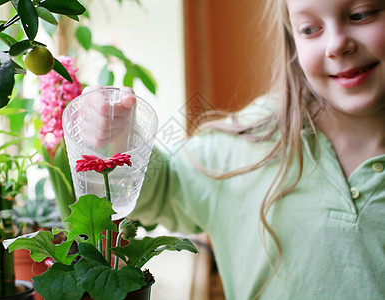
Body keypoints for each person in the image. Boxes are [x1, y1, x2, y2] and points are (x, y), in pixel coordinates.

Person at [80, 0, 385, 298]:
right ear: (292, 38)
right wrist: (118, 140)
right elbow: (161, 187)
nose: (336, 45)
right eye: (309, 29)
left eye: (361, 15)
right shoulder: (247, 143)